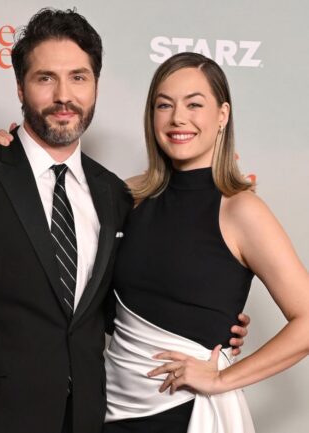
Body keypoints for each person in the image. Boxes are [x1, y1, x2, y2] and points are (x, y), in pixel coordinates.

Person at [0, 8, 249, 433]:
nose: (64, 95)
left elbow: (118, 308)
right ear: (20, 88)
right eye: (45, 78)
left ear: (96, 85)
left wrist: (211, 324)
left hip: (90, 418)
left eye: (78, 77)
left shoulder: (116, 195)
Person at [100, 52, 309, 432]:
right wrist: (3, 152)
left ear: (222, 115)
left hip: (187, 416)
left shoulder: (241, 210)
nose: (178, 118)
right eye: (164, 105)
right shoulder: (125, 197)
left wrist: (221, 378)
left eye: (194, 104)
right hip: (109, 409)